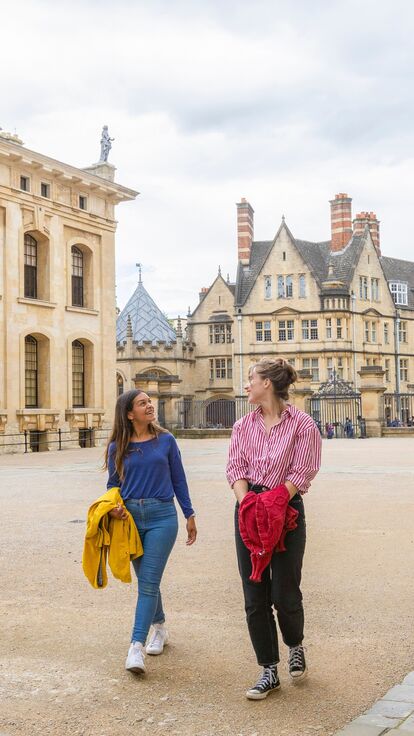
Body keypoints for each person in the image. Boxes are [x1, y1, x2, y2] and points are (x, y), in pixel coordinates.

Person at [226, 358, 321, 700]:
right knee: (254, 596)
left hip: (287, 510)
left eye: (251, 378)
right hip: (250, 510)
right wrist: (247, 503)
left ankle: (295, 644)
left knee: (284, 592)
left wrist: (279, 498)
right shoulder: (242, 426)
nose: (247, 384)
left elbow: (305, 469)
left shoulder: (304, 425)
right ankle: (268, 669)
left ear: (267, 383)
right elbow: (235, 466)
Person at [104, 389, 197, 674]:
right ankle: (159, 628)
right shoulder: (116, 447)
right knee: (148, 581)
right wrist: (114, 508)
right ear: (129, 414)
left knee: (147, 582)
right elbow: (112, 485)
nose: (149, 405)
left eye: (149, 401)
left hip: (162, 517)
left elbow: (178, 479)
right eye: (142, 403)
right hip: (129, 519)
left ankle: (136, 647)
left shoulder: (166, 440)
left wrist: (189, 514)